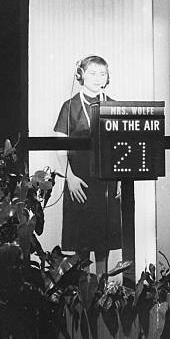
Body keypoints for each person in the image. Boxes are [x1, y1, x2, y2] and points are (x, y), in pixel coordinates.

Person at [53, 55, 121, 276]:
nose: (97, 78)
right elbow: (59, 149)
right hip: (78, 182)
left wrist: (118, 178)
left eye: (102, 74)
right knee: (81, 244)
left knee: (103, 245)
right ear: (81, 75)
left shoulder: (113, 105)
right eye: (92, 73)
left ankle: (102, 293)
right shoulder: (70, 106)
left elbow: (119, 147)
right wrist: (69, 178)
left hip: (106, 183)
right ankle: (83, 298)